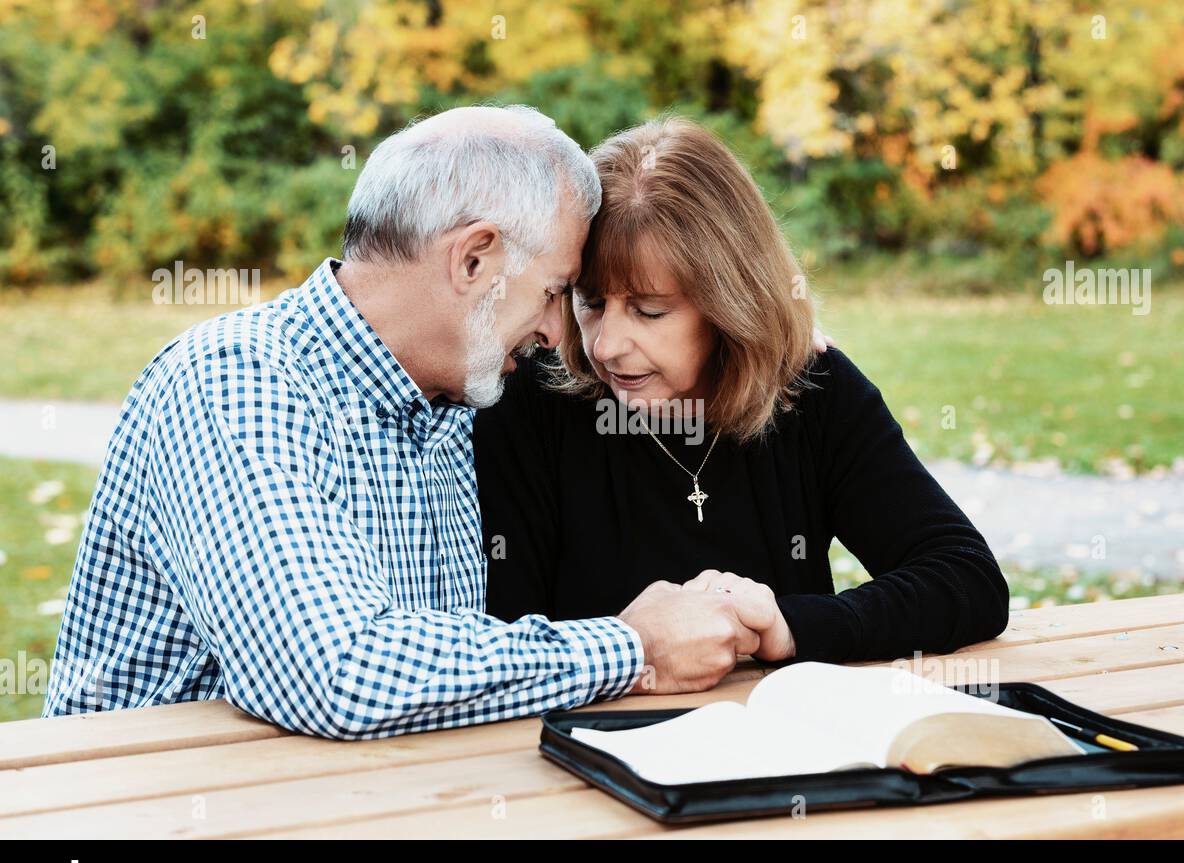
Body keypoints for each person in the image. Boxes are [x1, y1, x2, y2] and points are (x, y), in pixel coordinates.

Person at [42, 105, 782, 739]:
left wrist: (760, 343)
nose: (559, 334)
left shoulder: (453, 397)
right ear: (473, 261)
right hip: (156, 807)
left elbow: (645, 357)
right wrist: (630, 646)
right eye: (556, 292)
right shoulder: (235, 383)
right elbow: (335, 675)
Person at [474, 117, 1010, 665]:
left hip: (783, 738)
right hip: (594, 740)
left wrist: (791, 626)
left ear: (729, 303)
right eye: (589, 302)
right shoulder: (530, 403)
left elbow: (966, 579)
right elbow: (501, 638)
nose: (606, 345)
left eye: (649, 310)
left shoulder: (810, 391)